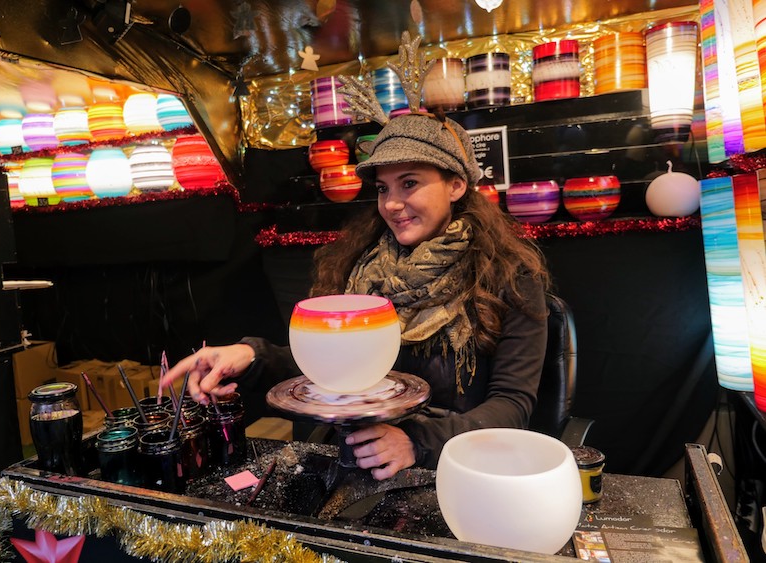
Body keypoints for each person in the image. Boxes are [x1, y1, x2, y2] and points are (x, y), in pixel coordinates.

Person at [162, 111, 551, 480]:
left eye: (410, 183)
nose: (392, 204)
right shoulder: (364, 269)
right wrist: (250, 357)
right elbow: (334, 374)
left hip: (453, 466)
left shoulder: (508, 276)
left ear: (456, 185)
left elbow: (512, 406)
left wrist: (416, 444)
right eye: (383, 189)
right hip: (356, 458)